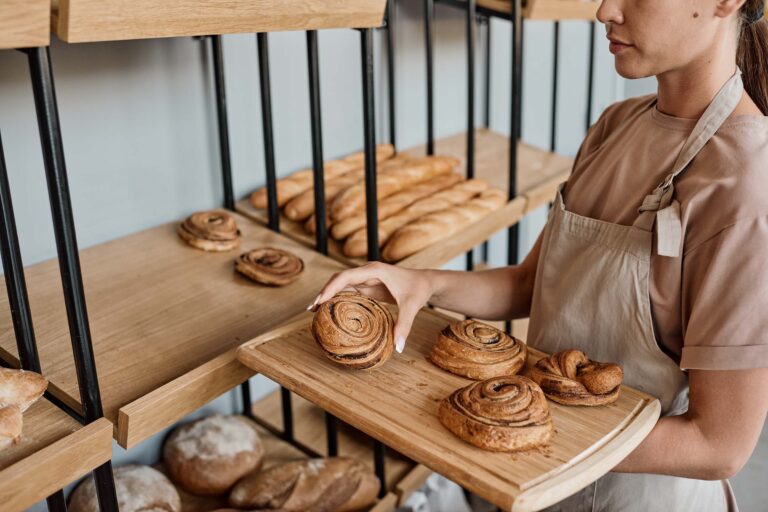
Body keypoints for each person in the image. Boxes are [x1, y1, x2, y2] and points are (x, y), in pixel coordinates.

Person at [310, 0, 768, 509]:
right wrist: (422, 282)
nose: (604, 11)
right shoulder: (615, 125)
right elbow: (534, 283)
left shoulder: (746, 187)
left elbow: (719, 445)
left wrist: (521, 432)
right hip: (533, 482)